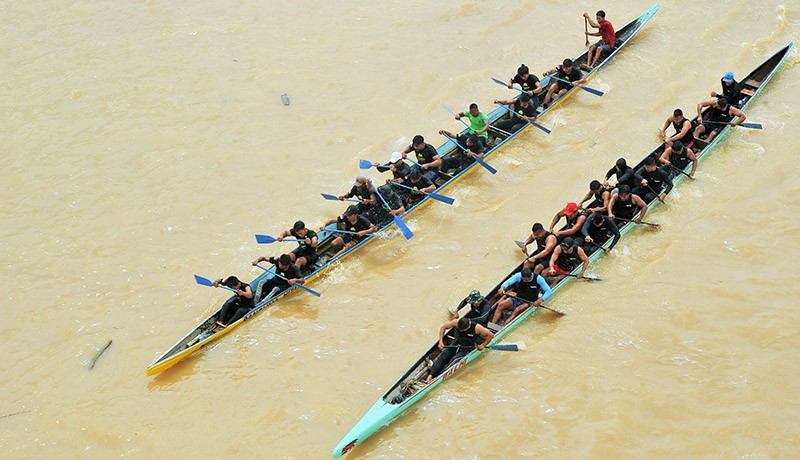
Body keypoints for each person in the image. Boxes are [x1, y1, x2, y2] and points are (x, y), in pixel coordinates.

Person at [424, 317, 494, 383]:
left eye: (462, 330)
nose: (461, 331)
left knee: (454, 361)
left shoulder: (477, 328)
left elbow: (490, 335)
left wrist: (483, 345)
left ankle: (437, 378)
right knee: (444, 355)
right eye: (459, 329)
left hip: (467, 348)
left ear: (469, 326)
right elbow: (443, 327)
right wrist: (441, 341)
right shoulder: (456, 322)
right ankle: (430, 376)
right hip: (456, 343)